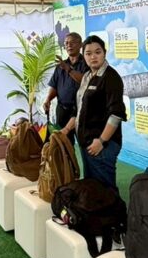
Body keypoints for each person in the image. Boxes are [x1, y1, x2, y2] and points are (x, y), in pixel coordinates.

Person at [61, 35, 127, 192]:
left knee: (105, 191)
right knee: (92, 189)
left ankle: (114, 209)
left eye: (97, 52)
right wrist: (66, 130)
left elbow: (116, 114)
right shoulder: (87, 76)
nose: (93, 57)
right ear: (84, 56)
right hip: (86, 143)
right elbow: (79, 109)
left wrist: (101, 141)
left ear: (104, 53)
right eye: (88, 53)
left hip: (102, 145)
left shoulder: (111, 77)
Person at [43, 32, 86, 144]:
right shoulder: (61, 65)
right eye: (66, 43)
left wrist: (68, 68)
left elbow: (85, 81)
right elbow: (54, 85)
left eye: (72, 42)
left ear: (80, 45)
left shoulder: (86, 63)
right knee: (63, 143)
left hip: (81, 111)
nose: (69, 45)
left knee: (85, 145)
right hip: (62, 110)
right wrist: (48, 99)